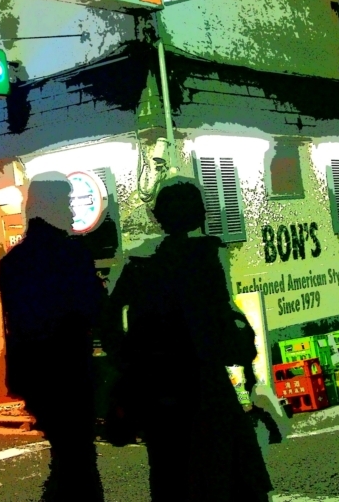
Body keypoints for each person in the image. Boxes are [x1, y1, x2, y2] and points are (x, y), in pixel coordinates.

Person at [105, 178, 274, 502]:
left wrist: (129, 360)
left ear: (160, 217)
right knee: (231, 478)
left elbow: (110, 318)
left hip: (158, 394)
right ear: (199, 214)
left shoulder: (140, 267)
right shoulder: (204, 260)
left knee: (171, 479)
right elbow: (223, 330)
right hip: (205, 389)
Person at [0, 172, 105, 502]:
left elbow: (16, 320)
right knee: (78, 457)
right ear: (53, 206)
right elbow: (95, 309)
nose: (72, 211)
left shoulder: (14, 262)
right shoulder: (71, 256)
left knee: (68, 454)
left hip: (35, 375)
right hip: (70, 370)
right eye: (67, 202)